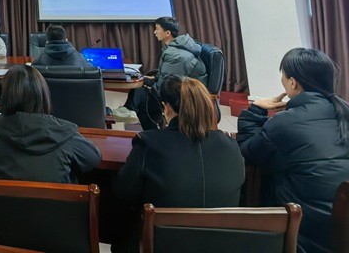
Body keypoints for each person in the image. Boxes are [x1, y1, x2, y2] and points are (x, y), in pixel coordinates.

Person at [237, 48, 349, 253]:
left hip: (309, 235)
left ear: (292, 82)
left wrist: (256, 110)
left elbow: (247, 152)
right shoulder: (344, 111)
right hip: (342, 230)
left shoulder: (284, 122)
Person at [114, 75, 244, 207]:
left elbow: (124, 192)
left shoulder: (148, 143)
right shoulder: (232, 146)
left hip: (159, 221)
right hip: (223, 221)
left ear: (166, 108)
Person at [0, 65, 101, 182]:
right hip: (57, 194)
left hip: (5, 195)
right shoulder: (65, 133)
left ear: (6, 96)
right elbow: (93, 159)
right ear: (42, 94)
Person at [127, 17, 206, 130]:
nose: (154, 32)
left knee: (144, 98)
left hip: (185, 93)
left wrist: (152, 88)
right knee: (140, 82)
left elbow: (170, 85)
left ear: (167, 33)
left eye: (157, 29)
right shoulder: (175, 47)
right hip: (179, 85)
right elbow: (167, 76)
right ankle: (130, 110)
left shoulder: (176, 55)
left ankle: (153, 130)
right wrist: (150, 79)